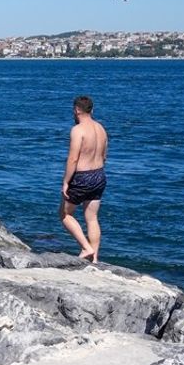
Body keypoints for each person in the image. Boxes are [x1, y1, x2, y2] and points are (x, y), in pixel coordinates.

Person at [60, 95, 108, 262]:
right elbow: (104, 156)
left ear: (76, 110)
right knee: (92, 218)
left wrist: (66, 182)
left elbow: (73, 159)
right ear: (91, 110)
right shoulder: (101, 128)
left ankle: (86, 248)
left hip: (82, 177)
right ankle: (94, 259)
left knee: (65, 214)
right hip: (99, 175)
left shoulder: (78, 130)